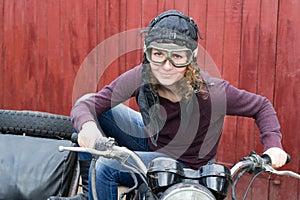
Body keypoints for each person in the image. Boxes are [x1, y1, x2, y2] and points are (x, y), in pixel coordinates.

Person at [70, 10, 288, 200]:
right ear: (148, 54)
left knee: (107, 167)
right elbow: (87, 105)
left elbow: (261, 106)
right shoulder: (141, 76)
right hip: (152, 140)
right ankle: (90, 194)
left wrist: (273, 145)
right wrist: (89, 129)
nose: (167, 66)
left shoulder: (211, 91)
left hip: (186, 165)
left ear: (190, 58)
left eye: (177, 57)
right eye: (158, 55)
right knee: (89, 113)